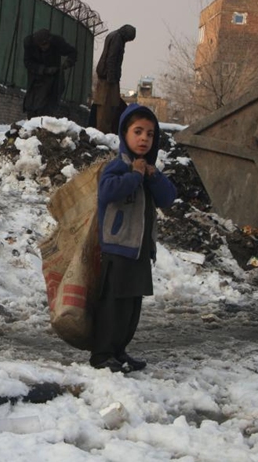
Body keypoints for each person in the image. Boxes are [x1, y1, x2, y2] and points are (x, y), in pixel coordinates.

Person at [92, 104, 177, 373]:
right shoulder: (117, 167)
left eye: (150, 134)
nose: (144, 139)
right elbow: (108, 193)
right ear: (124, 134)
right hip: (117, 249)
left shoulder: (149, 170)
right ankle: (102, 354)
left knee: (131, 308)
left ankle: (119, 350)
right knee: (112, 307)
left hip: (139, 251)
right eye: (137, 132)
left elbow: (168, 198)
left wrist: (152, 176)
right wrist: (135, 174)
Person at [91, 24, 137, 134]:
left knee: (109, 105)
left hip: (106, 75)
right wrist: (112, 78)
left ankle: (104, 130)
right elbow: (112, 58)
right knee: (107, 106)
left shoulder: (113, 35)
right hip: (108, 77)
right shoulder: (117, 39)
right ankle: (103, 131)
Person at [22, 28, 77, 119]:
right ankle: (32, 121)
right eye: (42, 45)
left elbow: (72, 52)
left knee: (50, 102)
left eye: (47, 44)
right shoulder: (29, 44)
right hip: (36, 75)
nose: (45, 47)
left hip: (54, 76)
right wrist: (44, 70)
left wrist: (68, 63)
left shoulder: (57, 42)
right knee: (33, 103)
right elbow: (28, 62)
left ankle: (46, 120)